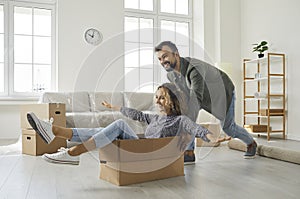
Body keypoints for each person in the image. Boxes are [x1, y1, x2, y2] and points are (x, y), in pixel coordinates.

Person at [26, 83, 212, 165]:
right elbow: (136, 114)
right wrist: (114, 106)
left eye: (162, 98)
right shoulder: (155, 118)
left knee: (120, 125)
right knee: (103, 129)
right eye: (156, 98)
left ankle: (74, 153)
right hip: (140, 147)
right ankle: (54, 131)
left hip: (147, 152)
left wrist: (212, 136)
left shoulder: (180, 120)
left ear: (172, 100)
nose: (157, 101)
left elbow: (195, 129)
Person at [154, 41, 257, 163]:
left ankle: (251, 143)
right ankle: (189, 153)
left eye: (165, 56)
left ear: (176, 54)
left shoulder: (194, 69)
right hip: (201, 96)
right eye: (159, 58)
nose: (162, 61)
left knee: (229, 129)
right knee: (185, 117)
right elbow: (185, 97)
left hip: (223, 93)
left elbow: (195, 100)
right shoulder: (171, 75)